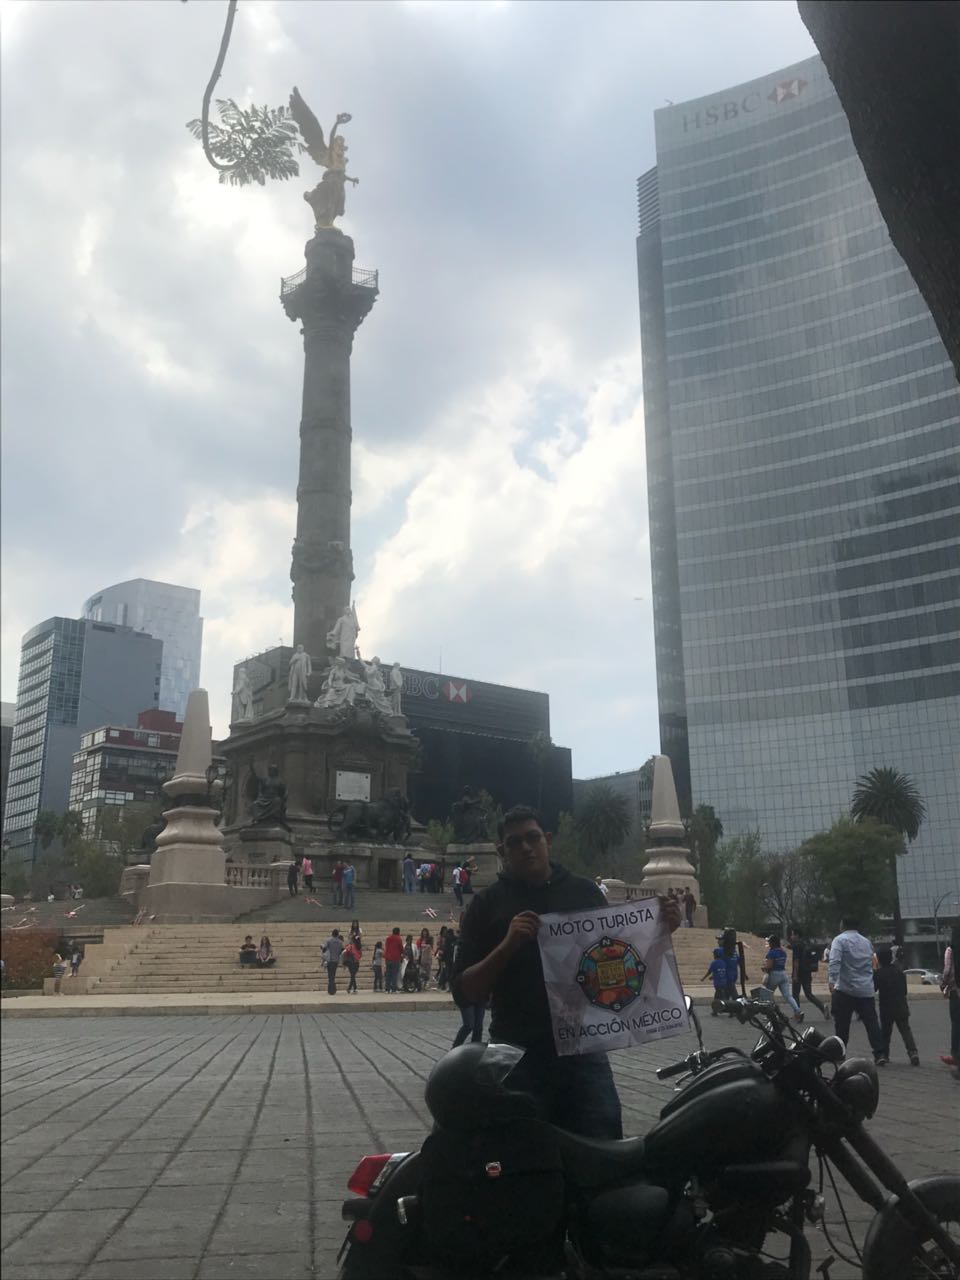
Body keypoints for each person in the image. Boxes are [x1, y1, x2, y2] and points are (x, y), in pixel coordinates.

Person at [452, 804, 681, 1141]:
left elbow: (616, 963)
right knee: (521, 1159)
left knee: (602, 1153)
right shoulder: (485, 905)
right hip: (514, 1051)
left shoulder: (584, 892)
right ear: (502, 851)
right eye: (514, 843)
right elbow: (464, 991)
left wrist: (660, 932)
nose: (526, 847)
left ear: (547, 840)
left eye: (533, 838)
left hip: (582, 1054)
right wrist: (507, 945)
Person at [828, 916, 886, 1064]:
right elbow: (870, 963)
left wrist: (832, 980)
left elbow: (835, 961)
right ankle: (879, 1053)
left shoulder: (839, 940)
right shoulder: (866, 942)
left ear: (843, 925)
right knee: (872, 1023)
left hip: (845, 988)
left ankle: (840, 1053)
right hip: (865, 989)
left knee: (842, 1024)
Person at [874, 947, 918, 1065]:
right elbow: (904, 991)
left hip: (886, 1008)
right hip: (901, 1006)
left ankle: (885, 1055)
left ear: (879, 960)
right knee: (906, 1031)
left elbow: (873, 988)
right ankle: (913, 1052)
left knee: (885, 1033)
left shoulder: (878, 974)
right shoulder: (899, 972)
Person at [788, 926, 829, 1019]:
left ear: (797, 935)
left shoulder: (797, 946)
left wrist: (794, 974)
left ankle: (798, 1014)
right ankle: (822, 1007)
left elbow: (796, 961)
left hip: (798, 973)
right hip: (807, 972)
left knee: (795, 995)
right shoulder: (805, 944)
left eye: (792, 934)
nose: (791, 936)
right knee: (809, 994)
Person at [763, 935, 804, 1020]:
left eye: (770, 942)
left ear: (773, 943)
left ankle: (772, 1014)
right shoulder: (783, 952)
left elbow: (769, 966)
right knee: (788, 995)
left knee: (768, 995)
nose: (769, 943)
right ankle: (798, 1011)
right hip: (783, 974)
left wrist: (764, 969)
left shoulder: (772, 953)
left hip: (774, 974)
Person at [939, 923, 959, 1068]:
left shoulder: (951, 950)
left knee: (957, 1023)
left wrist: (943, 984)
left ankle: (956, 1055)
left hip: (955, 991)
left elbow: (947, 971)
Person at [702, 947, 728, 1016]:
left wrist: (703, 978)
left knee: (717, 997)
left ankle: (717, 1010)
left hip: (718, 983)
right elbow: (721, 972)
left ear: (715, 955)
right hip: (724, 982)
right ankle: (718, 1010)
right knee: (720, 996)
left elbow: (709, 971)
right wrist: (713, 977)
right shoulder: (723, 962)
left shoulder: (714, 963)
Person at [322, 929, 344, 995]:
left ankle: (331, 990)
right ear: (337, 934)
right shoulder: (340, 942)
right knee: (333, 974)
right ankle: (332, 989)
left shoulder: (329, 940)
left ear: (332, 934)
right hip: (336, 960)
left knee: (330, 975)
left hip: (329, 960)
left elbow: (324, 948)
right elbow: (342, 950)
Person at [384, 927, 403, 993]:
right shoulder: (398, 939)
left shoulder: (388, 938)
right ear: (398, 932)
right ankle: (394, 989)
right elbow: (401, 948)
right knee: (394, 974)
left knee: (388, 974)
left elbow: (386, 947)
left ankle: (387, 989)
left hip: (388, 958)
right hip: (395, 958)